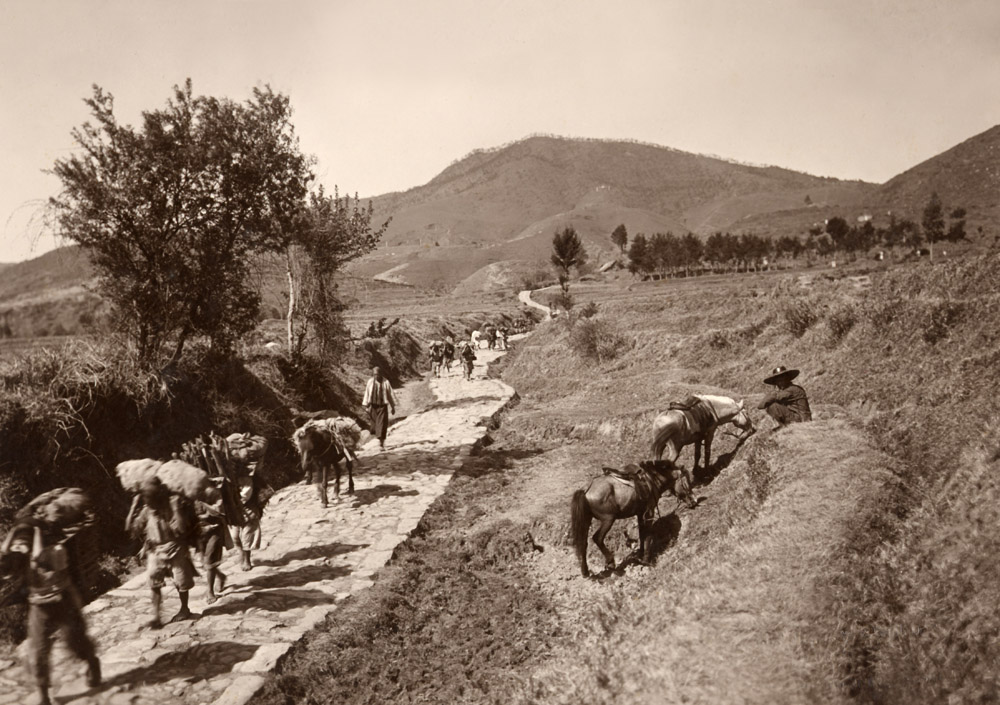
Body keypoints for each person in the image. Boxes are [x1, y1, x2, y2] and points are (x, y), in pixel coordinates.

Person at [1, 523, 101, 705]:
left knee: (75, 642)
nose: (18, 547)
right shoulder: (22, 559)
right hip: (39, 608)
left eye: (22, 543)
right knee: (37, 651)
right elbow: (4, 553)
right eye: (17, 544)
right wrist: (14, 532)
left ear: (34, 541)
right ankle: (43, 695)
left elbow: (38, 557)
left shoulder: (56, 550)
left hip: (64, 602)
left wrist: (37, 530)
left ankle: (92, 662)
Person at [125, 476, 198, 628]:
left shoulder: (170, 507)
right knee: (154, 582)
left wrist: (177, 509)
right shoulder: (147, 510)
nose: (148, 502)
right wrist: (133, 508)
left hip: (175, 548)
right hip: (155, 550)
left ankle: (185, 608)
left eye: (149, 499)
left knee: (180, 581)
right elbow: (130, 529)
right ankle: (157, 616)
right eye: (146, 499)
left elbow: (181, 529)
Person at [194, 486, 230, 603]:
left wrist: (203, 505)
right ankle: (220, 576)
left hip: (214, 530)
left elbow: (218, 511)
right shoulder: (189, 493)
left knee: (209, 561)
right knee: (204, 561)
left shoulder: (213, 491)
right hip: (199, 531)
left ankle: (210, 591)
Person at [363, 366, 396, 450]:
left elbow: (390, 395)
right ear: (373, 375)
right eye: (374, 375)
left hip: (382, 406)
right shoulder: (370, 382)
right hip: (373, 406)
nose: (376, 376)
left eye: (377, 374)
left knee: (381, 424)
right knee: (374, 427)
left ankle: (381, 443)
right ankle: (380, 440)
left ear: (381, 374)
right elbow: (367, 393)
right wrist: (366, 405)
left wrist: (392, 407)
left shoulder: (386, 382)